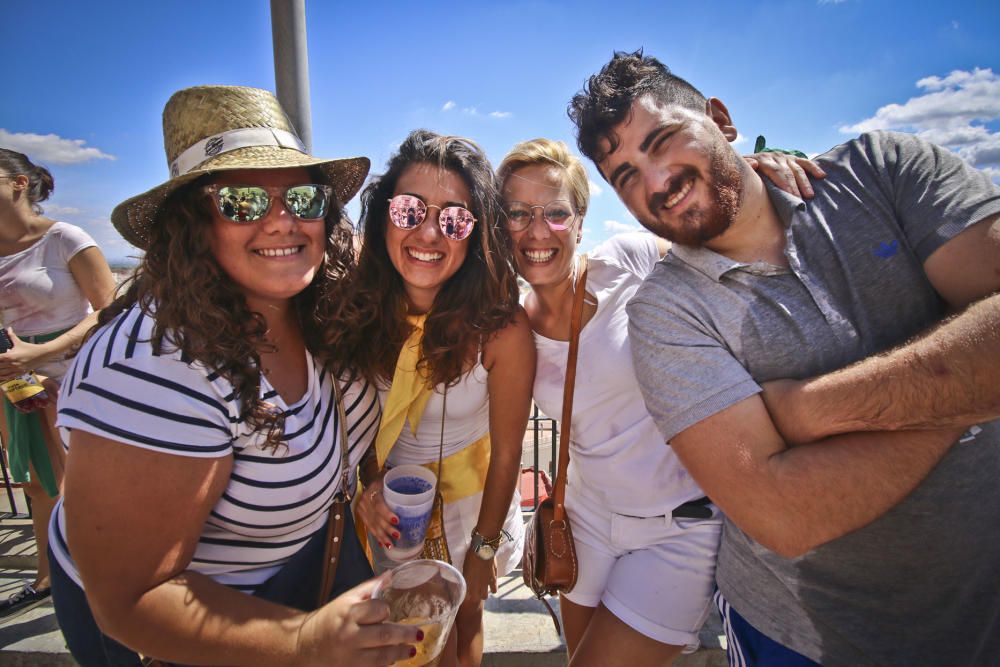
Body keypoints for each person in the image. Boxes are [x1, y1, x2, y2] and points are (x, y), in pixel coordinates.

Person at [569, 50, 1000, 666]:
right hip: (799, 638)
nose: (657, 181)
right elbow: (784, 514)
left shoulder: (883, 170)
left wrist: (808, 410)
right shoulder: (666, 309)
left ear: (720, 119)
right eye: (626, 176)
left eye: (663, 140)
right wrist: (973, 384)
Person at [48, 85, 419, 666]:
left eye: (303, 199)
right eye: (243, 202)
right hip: (192, 630)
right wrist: (304, 641)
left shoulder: (320, 300)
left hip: (305, 565)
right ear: (191, 223)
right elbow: (132, 598)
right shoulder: (150, 369)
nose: (281, 223)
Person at [497, 138, 822, 666]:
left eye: (556, 213)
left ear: (580, 222)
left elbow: (725, 236)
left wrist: (752, 175)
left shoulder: (631, 257)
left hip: (679, 530)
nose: (538, 231)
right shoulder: (511, 327)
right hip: (585, 523)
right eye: (518, 213)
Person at [337, 129, 535, 667]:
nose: (429, 232)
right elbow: (354, 419)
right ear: (383, 216)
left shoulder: (500, 328)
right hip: (395, 507)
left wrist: (485, 547)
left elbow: (510, 454)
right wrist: (369, 487)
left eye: (454, 219)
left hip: (474, 507)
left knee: (461, 619)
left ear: (474, 235)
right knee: (397, 633)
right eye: (409, 210)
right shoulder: (357, 308)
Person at [0, 148, 116, 619]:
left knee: (85, 485)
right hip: (15, 381)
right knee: (37, 483)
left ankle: (102, 584)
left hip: (74, 377)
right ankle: (48, 579)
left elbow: (110, 310)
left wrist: (44, 353)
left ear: (19, 184)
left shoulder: (64, 237)